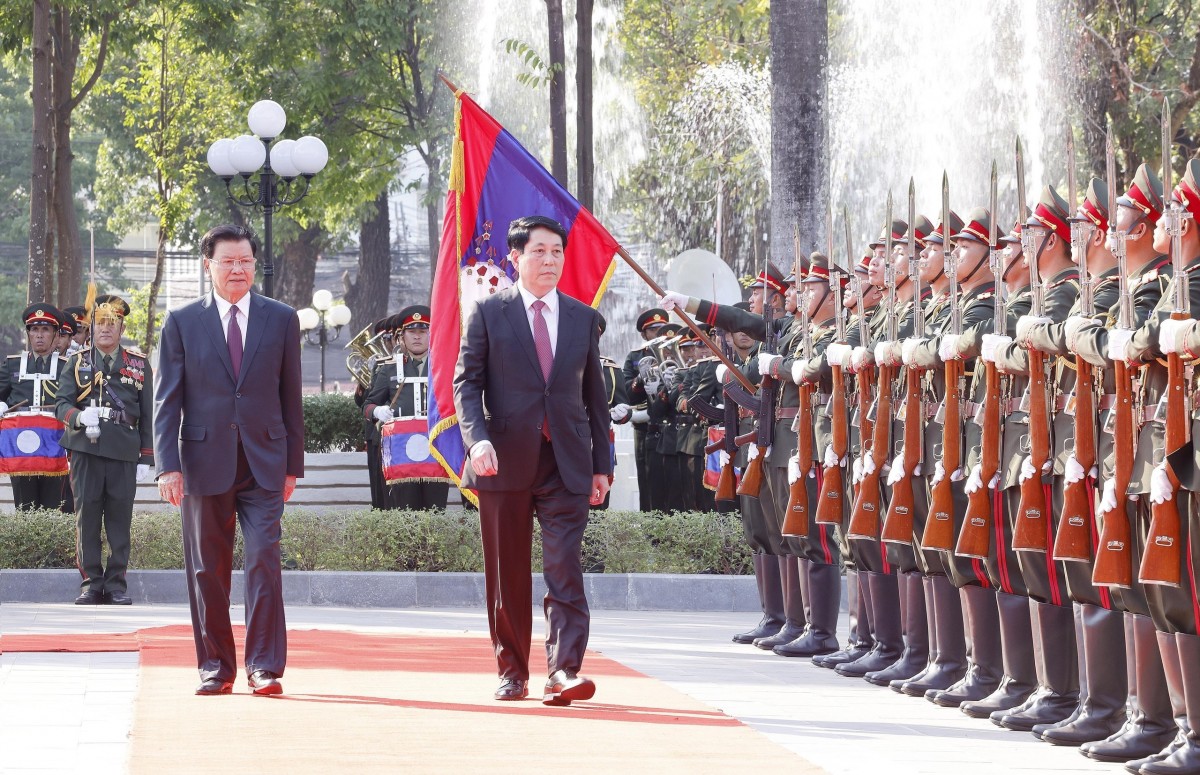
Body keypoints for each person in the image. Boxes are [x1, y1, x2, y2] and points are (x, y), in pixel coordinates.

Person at [453, 214, 612, 706]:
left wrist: (602, 465)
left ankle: (563, 670)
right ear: (515, 257)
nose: (549, 260)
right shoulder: (488, 312)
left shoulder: (582, 317)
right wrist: (476, 441)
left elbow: (595, 398)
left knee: (564, 568)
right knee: (508, 574)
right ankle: (512, 671)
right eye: (539, 251)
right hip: (502, 460)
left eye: (557, 252)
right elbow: (466, 384)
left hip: (567, 462)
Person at [154, 224, 305, 697]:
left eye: (245, 261)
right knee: (207, 570)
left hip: (265, 463)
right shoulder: (181, 321)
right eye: (228, 261)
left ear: (255, 265)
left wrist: (292, 466)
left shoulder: (281, 318)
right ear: (209, 266)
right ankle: (216, 668)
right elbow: (166, 401)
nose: (238, 269)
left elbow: (291, 397)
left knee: (264, 560)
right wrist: (167, 466)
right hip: (203, 462)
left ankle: (264, 666)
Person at [55, 294, 153, 605]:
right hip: (85, 450)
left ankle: (116, 585)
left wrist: (146, 457)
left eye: (112, 323)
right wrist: (78, 417)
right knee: (87, 518)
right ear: (92, 327)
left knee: (119, 519)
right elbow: (61, 405)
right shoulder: (77, 362)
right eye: (101, 323)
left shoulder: (138, 365)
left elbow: (147, 414)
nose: (106, 329)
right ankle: (91, 584)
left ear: (122, 328)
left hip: (124, 452)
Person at [364, 305, 450, 510]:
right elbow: (368, 405)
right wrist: (378, 411)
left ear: (431, 334)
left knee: (434, 508)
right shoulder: (389, 368)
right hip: (401, 449)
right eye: (412, 332)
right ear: (402, 336)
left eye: (423, 331)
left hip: (435, 448)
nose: (417, 336)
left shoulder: (444, 367)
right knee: (403, 509)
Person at [0, 304, 70, 511]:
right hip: (20, 447)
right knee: (25, 506)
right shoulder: (12, 364)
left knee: (53, 506)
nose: (39, 335)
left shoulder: (67, 366)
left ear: (56, 335)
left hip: (55, 445)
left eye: (45, 329)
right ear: (28, 333)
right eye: (34, 329)